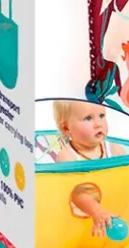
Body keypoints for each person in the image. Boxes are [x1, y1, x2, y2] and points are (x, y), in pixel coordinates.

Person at [52, 100, 124, 237]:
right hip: (81, 219)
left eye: (102, 116)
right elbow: (74, 194)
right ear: (66, 129)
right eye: (88, 118)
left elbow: (127, 179)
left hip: (112, 211)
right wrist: (96, 211)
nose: (98, 124)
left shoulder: (114, 149)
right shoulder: (67, 157)